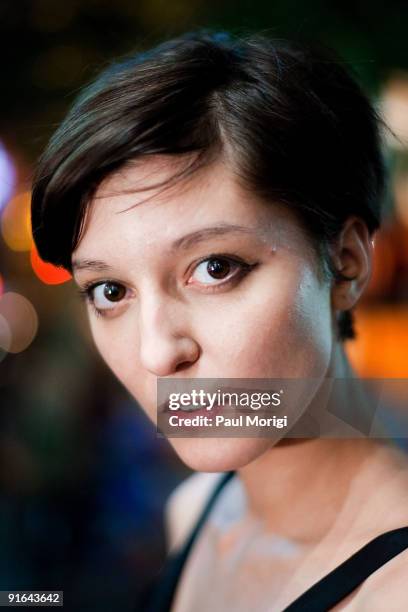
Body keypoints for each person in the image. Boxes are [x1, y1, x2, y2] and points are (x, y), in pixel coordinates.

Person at [31, 29, 408, 611]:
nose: (158, 354)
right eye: (110, 290)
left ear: (347, 259)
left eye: (215, 268)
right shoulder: (197, 511)